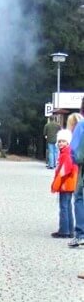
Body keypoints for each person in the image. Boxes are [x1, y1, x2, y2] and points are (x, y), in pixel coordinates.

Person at [50, 129, 78, 238]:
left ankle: (64, 230)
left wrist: (55, 184)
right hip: (71, 184)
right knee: (68, 206)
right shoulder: (70, 152)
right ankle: (70, 230)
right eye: (60, 141)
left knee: (63, 207)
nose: (61, 143)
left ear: (68, 142)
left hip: (65, 184)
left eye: (63, 141)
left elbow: (63, 171)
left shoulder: (65, 154)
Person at [69, 105, 84, 250]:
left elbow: (73, 148)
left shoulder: (81, 125)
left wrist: (75, 161)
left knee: (79, 197)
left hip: (83, 167)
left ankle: (80, 234)